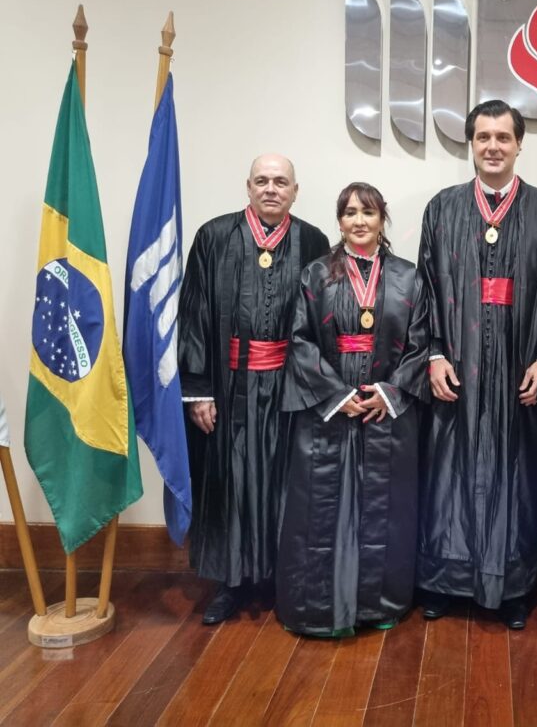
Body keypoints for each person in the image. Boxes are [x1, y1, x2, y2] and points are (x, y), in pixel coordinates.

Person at [416, 99, 537, 629]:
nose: (492, 146)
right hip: (457, 370)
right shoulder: (443, 208)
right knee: (448, 476)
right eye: (483, 137)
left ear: (519, 144)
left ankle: (513, 588)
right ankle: (443, 582)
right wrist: (434, 353)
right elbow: (425, 288)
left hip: (517, 373)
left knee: (516, 477)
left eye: (503, 137)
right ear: (470, 144)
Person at [179, 154, 330, 625]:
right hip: (231, 388)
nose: (270, 189)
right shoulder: (214, 237)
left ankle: (281, 580)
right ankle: (232, 582)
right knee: (234, 482)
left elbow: (322, 320)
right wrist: (199, 389)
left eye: (280, 182)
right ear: (248, 187)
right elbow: (194, 316)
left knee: (285, 483)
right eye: (262, 180)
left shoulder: (313, 241)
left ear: (295, 191)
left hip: (289, 386)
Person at [275, 182, 429, 637]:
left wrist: (389, 393)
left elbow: (422, 343)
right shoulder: (316, 274)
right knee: (320, 511)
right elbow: (300, 340)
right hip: (330, 410)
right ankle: (317, 607)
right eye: (350, 212)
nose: (359, 220)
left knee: (385, 511)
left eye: (368, 212)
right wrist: (337, 395)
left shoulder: (409, 277)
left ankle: (379, 604)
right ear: (339, 221)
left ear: (382, 219)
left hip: (385, 412)